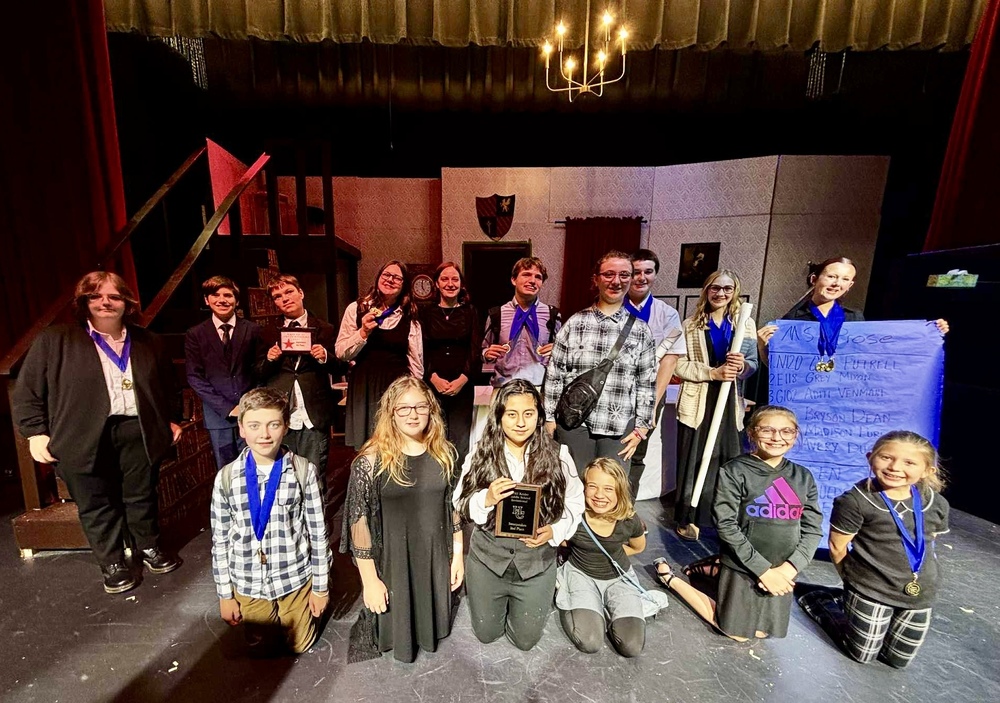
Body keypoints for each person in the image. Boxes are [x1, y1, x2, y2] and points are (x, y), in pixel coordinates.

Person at [13, 271, 182, 594]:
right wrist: (35, 432)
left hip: (138, 429)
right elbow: (28, 392)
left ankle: (148, 546)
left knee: (141, 494)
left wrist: (173, 419)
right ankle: (113, 561)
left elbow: (168, 386)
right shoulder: (56, 340)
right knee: (95, 501)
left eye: (114, 296)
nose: (105, 302)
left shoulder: (148, 341)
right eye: (96, 296)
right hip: (83, 434)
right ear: (84, 302)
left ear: (127, 303)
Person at [653, 406, 822, 641]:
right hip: (743, 564)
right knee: (736, 634)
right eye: (767, 430)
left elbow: (813, 529)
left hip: (781, 569)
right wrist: (763, 571)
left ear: (795, 435)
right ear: (752, 433)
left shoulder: (803, 477)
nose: (777, 437)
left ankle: (710, 567)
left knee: (762, 633)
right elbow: (726, 525)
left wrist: (788, 569)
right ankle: (672, 580)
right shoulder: (735, 471)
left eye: (786, 431)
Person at [796, 431, 949, 668]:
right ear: (870, 458)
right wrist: (852, 580)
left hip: (920, 592)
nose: (895, 467)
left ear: (928, 470)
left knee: (897, 661)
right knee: (862, 655)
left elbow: (931, 542)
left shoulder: (935, 502)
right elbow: (838, 546)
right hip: (870, 587)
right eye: (886, 457)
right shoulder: (855, 501)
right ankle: (819, 598)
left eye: (909, 462)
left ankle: (849, 603)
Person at [454, 379, 584, 651]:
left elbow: (575, 501)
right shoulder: (480, 453)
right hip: (489, 560)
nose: (521, 422)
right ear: (499, 417)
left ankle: (527, 599)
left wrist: (555, 531)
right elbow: (460, 502)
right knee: (486, 634)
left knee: (526, 641)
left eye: (529, 413)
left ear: (539, 416)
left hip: (535, 562)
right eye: (511, 414)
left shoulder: (558, 455)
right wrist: (486, 498)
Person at [341, 376, 462, 663]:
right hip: (394, 562)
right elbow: (359, 525)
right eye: (403, 408)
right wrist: (370, 581)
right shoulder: (370, 461)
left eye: (420, 407)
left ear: (431, 410)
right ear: (391, 413)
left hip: (433, 558)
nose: (413, 414)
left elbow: (452, 509)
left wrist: (457, 556)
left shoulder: (444, 454)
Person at [210, 388, 330, 655]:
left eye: (273, 424)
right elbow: (220, 541)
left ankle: (302, 611)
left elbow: (318, 533)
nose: (264, 434)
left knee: (299, 646)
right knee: (264, 648)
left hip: (294, 577)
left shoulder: (303, 471)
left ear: (285, 426)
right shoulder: (226, 478)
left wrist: (320, 589)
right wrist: (225, 595)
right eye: (254, 425)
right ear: (241, 428)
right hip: (249, 580)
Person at [543, 250, 656, 470]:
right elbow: (555, 373)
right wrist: (549, 418)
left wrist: (641, 428)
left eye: (624, 275)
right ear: (596, 279)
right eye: (609, 274)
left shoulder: (642, 331)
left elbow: (646, 383)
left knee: (611, 493)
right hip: (574, 424)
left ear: (631, 279)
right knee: (573, 490)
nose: (616, 281)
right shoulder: (575, 324)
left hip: (619, 425)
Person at [673, 269, 758, 541]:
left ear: (735, 292)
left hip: (729, 402)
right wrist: (712, 373)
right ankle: (689, 517)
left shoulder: (745, 324)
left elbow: (753, 365)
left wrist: (741, 366)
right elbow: (679, 364)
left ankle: (723, 518)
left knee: (726, 460)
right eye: (715, 288)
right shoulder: (691, 325)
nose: (721, 293)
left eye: (727, 289)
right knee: (695, 459)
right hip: (699, 401)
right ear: (706, 290)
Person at [557, 457, 648, 657]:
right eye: (592, 486)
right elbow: (560, 540)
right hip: (581, 575)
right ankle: (591, 607)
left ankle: (607, 608)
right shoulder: (574, 516)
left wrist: (608, 555)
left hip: (619, 578)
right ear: (583, 488)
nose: (599, 495)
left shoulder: (629, 519)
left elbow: (638, 546)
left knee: (631, 646)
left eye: (608, 489)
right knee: (589, 642)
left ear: (620, 490)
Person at [255, 274, 337, 488]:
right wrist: (270, 359)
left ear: (301, 293)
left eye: (289, 292)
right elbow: (258, 373)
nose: (284, 298)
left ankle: (318, 522)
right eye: (277, 296)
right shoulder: (267, 332)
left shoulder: (325, 329)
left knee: (314, 478)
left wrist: (325, 356)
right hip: (282, 416)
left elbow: (340, 367)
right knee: (283, 479)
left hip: (313, 413)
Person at [336, 260, 423, 450]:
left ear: (404, 285)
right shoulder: (357, 308)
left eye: (397, 278)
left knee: (396, 444)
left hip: (396, 387)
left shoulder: (409, 314)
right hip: (364, 386)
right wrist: (363, 332)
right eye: (386, 275)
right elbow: (341, 352)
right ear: (378, 278)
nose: (390, 280)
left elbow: (416, 361)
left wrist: (416, 393)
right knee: (366, 446)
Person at [625, 249, 686, 498]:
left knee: (637, 451)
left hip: (648, 394)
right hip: (611, 393)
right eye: (635, 272)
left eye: (647, 272)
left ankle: (625, 509)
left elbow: (669, 362)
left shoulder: (667, 314)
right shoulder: (611, 308)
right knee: (607, 450)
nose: (641, 277)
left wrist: (652, 403)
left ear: (655, 275)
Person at [185, 276, 261, 469]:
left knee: (256, 467)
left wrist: (250, 404)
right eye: (215, 295)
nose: (222, 300)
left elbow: (260, 370)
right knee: (227, 472)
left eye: (228, 295)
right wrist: (226, 408)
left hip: (251, 413)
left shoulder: (253, 330)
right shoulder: (196, 334)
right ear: (206, 300)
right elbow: (195, 376)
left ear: (236, 300)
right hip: (218, 417)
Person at [422, 261, 479, 467]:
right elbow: (422, 349)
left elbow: (475, 350)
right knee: (434, 439)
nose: (450, 283)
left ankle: (457, 492)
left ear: (461, 284)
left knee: (459, 442)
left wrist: (462, 380)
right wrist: (433, 378)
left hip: (462, 386)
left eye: (455, 279)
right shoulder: (426, 313)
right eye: (444, 279)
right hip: (433, 384)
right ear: (436, 284)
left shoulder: (470, 311)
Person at [482, 257, 561, 388]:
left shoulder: (553, 315)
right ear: (513, 280)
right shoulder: (496, 314)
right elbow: (483, 350)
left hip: (538, 387)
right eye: (526, 275)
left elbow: (563, 354)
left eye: (538, 277)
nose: (532, 281)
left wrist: (558, 352)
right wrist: (486, 354)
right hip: (504, 387)